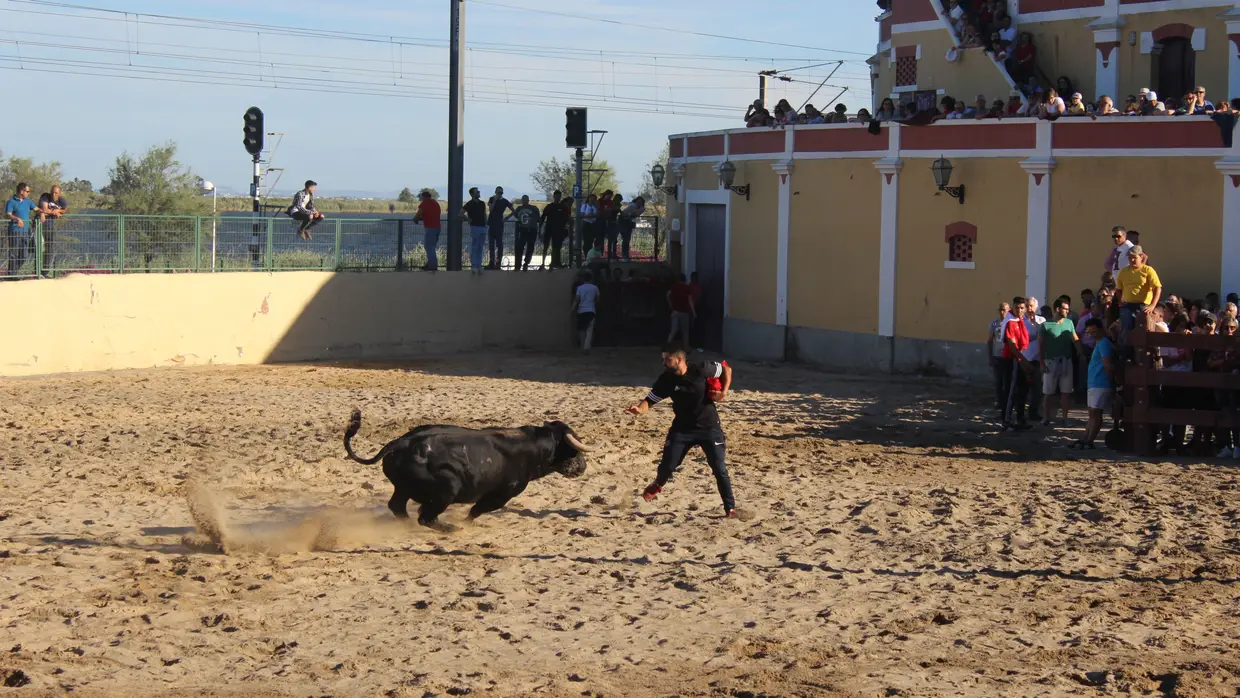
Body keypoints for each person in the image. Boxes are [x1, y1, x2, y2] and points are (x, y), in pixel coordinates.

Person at [626, 344, 738, 518]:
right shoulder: (666, 379)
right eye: (663, 358)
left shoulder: (701, 369)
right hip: (682, 429)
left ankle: (730, 509)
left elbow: (726, 370)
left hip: (709, 427)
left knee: (719, 468)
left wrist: (723, 392)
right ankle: (658, 484)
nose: (664, 362)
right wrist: (639, 410)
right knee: (668, 466)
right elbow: (650, 400)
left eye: (667, 358)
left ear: (679, 360)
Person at [1074, 318, 1114, 450]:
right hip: (1094, 383)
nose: (1090, 333)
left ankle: (1090, 440)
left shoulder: (1103, 343)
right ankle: (1086, 438)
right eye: (1088, 330)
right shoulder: (1099, 343)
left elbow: (1107, 365)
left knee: (1096, 414)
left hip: (1100, 383)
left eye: (1093, 330)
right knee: (1092, 414)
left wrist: (1114, 381)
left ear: (1100, 329)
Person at [1040, 298, 1079, 426]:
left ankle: (1065, 418)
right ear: (1057, 309)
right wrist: (1041, 362)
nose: (1067, 311)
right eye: (1065, 309)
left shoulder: (1069, 323)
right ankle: (1046, 418)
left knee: (1066, 392)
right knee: (1048, 393)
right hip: (1050, 361)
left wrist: (1082, 353)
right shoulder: (1045, 325)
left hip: (1066, 361)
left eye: (1068, 309)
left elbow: (1075, 339)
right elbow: (1040, 345)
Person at [1114, 245, 1162, 344]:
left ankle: (1144, 353)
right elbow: (1118, 289)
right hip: (1127, 305)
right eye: (1130, 257)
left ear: (1141, 257)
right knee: (1125, 331)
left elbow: (1157, 287)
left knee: (1144, 331)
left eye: (1134, 257)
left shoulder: (1148, 270)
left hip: (1143, 306)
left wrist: (1152, 305)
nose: (1132, 260)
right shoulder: (1123, 272)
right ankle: (1125, 354)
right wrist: (1121, 301)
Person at [1002, 296, 1033, 430]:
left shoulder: (1019, 320)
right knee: (1011, 391)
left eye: (1022, 308)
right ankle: (1007, 420)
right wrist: (1024, 362)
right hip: (1012, 359)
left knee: (1023, 390)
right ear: (1012, 307)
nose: (1019, 310)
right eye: (1017, 308)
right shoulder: (1010, 322)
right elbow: (1013, 347)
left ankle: (1020, 418)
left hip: (1019, 358)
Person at [5, 182, 38, 276]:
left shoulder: (28, 201)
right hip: (15, 231)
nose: (29, 193)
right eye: (27, 191)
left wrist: (42, 213)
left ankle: (14, 272)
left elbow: (37, 209)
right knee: (14, 253)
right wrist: (17, 219)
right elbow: (9, 214)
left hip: (25, 231)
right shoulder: (11, 201)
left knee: (24, 255)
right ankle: (12, 275)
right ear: (21, 191)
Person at [37, 184, 68, 276]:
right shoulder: (45, 196)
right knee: (37, 247)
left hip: (50, 225)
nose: (53, 194)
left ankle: (45, 271)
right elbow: (45, 209)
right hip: (40, 224)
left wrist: (58, 211)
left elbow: (64, 209)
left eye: (56, 193)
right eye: (52, 192)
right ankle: (37, 272)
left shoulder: (61, 200)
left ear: (59, 193)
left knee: (50, 247)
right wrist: (54, 212)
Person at [987, 302, 1012, 413]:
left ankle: (1008, 401)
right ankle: (1000, 400)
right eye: (1001, 310)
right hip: (997, 356)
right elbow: (990, 340)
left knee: (1008, 381)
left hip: (1008, 356)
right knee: (998, 381)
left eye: (1005, 310)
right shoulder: (994, 323)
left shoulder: (1011, 323)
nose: (1002, 312)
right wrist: (990, 356)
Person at [540, 191, 571, 269]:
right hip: (548, 229)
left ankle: (553, 263)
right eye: (556, 196)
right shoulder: (549, 206)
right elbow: (543, 218)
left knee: (555, 247)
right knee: (546, 246)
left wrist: (566, 228)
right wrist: (539, 229)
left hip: (558, 230)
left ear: (560, 197)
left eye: (559, 196)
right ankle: (543, 264)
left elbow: (567, 218)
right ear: (554, 196)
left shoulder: (563, 207)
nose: (557, 198)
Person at [412, 189, 442, 271]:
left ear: (424, 197)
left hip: (430, 228)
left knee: (429, 247)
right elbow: (432, 214)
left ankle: (432, 266)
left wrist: (416, 219)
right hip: (437, 227)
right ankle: (429, 264)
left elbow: (418, 215)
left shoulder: (424, 203)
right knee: (432, 247)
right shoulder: (436, 203)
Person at [486, 186, 515, 270]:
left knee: (499, 244)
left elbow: (513, 211)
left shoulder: (505, 201)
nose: (499, 194)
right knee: (491, 245)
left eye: (501, 193)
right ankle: (491, 263)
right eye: (498, 192)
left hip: (499, 224)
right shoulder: (492, 199)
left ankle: (498, 263)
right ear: (495, 192)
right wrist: (495, 200)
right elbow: (490, 209)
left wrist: (506, 218)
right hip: (492, 224)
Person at [571, 272, 600, 352]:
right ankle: (587, 347)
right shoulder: (595, 288)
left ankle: (582, 345)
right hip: (591, 310)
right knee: (589, 329)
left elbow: (576, 300)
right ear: (591, 279)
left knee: (582, 329)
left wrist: (572, 309)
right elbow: (597, 300)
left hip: (582, 310)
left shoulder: (580, 288)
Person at [462, 187, 488, 273]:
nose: (479, 193)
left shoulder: (482, 203)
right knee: (475, 246)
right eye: (477, 192)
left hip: (483, 227)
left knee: (480, 247)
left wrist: (486, 223)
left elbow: (484, 214)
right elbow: (460, 213)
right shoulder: (469, 204)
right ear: (473, 194)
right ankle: (474, 265)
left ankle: (479, 265)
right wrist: (468, 219)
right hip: (475, 227)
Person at [513, 195, 542, 271]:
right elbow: (516, 216)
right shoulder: (519, 208)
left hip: (532, 230)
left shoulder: (534, 208)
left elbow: (538, 219)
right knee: (520, 247)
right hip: (523, 230)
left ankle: (526, 263)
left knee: (530, 247)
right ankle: (518, 265)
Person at [667, 273, 696, 346]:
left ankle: (667, 345)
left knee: (673, 330)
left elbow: (667, 294)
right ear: (685, 279)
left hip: (675, 311)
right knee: (685, 331)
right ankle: (686, 348)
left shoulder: (674, 287)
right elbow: (690, 301)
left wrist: (670, 304)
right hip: (684, 312)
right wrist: (694, 312)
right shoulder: (687, 288)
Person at [617, 196, 646, 262]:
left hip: (628, 222)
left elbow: (636, 214)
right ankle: (624, 256)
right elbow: (625, 213)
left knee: (627, 239)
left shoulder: (640, 208)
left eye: (641, 202)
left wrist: (634, 213)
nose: (639, 203)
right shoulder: (632, 206)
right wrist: (632, 214)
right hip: (623, 221)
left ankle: (625, 255)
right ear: (636, 201)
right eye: (638, 202)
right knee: (626, 238)